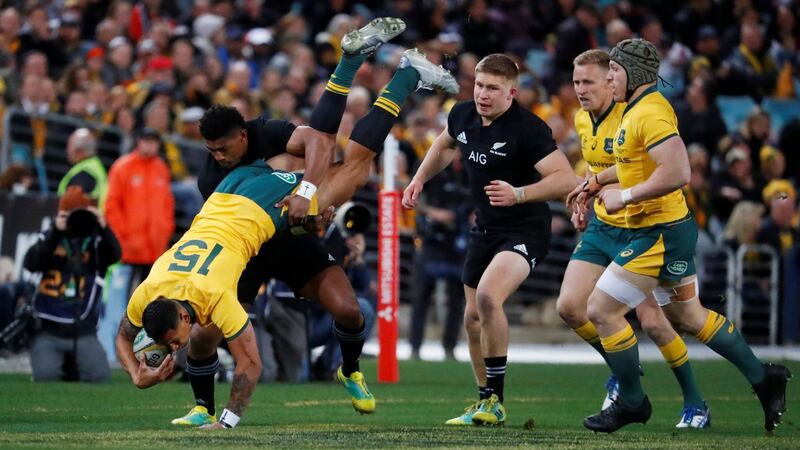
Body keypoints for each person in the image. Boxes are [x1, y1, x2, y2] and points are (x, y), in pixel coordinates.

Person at [163, 18, 459, 427]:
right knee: (202, 337)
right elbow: (265, 211)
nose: (217, 156)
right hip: (249, 250)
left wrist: (306, 195)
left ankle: (349, 370)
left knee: (350, 311)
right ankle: (202, 407)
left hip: (292, 232)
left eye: (223, 148)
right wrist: (311, 215)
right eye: (211, 150)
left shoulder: (263, 131)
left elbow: (320, 140)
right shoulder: (211, 179)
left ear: (243, 136)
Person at [569, 38, 790, 433]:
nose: (609, 78)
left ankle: (632, 401)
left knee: (601, 309)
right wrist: (597, 181)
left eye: (614, 71)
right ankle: (764, 378)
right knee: (688, 315)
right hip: (666, 227)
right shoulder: (636, 108)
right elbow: (635, 162)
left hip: (658, 231)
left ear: (633, 73)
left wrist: (625, 196)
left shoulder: (649, 112)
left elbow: (678, 171)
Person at [402, 53, 577, 426]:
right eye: (480, 85)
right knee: (472, 319)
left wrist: (520, 193)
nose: (483, 94)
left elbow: (566, 179)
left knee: (487, 296)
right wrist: (419, 179)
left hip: (525, 229)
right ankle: (484, 400)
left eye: (493, 88)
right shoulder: (462, 114)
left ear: (512, 92)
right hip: (485, 228)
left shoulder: (528, 129)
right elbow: (444, 145)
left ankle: (496, 401)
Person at [558, 49, 710, 428]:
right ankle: (623, 371)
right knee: (570, 307)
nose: (581, 89)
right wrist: (584, 197)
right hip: (603, 225)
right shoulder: (581, 119)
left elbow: (648, 169)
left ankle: (695, 402)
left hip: (639, 227)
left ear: (612, 80)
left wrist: (615, 192)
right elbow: (596, 171)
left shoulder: (632, 113)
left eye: (590, 81)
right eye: (576, 82)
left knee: (655, 323)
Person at [25, 186, 120, 382]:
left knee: (99, 377)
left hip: (83, 329)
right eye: (70, 215)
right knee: (46, 376)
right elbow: (31, 263)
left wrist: (103, 227)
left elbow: (115, 255)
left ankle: (72, 364)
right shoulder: (50, 237)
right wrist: (55, 232)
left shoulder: (95, 243)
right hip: (48, 329)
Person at [101, 127, 175, 364]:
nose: (150, 145)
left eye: (154, 141)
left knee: (150, 305)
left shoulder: (161, 168)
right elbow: (112, 206)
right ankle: (116, 351)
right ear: (138, 141)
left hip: (154, 251)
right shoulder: (123, 167)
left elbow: (166, 205)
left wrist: (164, 233)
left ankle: (144, 352)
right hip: (128, 253)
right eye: (146, 140)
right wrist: (123, 239)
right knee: (122, 304)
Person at [58, 128, 108, 211]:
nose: (67, 150)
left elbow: (74, 205)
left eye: (69, 146)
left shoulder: (84, 173)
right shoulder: (95, 166)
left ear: (79, 151)